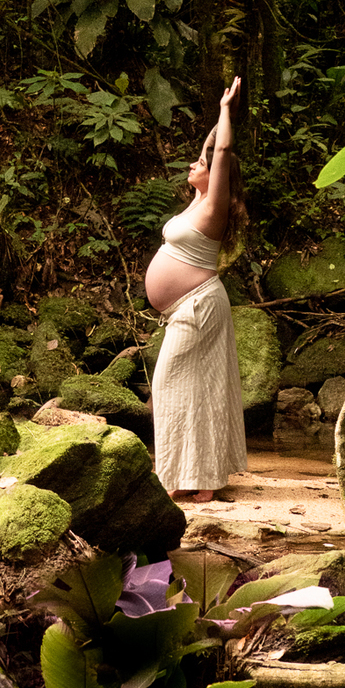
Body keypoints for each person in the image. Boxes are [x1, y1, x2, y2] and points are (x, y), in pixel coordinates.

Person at [144, 75, 247, 503]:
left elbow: (220, 150)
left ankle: (188, 479)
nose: (192, 165)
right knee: (190, 386)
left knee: (171, 383)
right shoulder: (196, 201)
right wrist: (219, 115)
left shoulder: (213, 205)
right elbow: (211, 146)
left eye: (198, 164)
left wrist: (227, 112)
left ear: (216, 176)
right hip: (188, 308)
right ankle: (194, 478)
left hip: (198, 306)